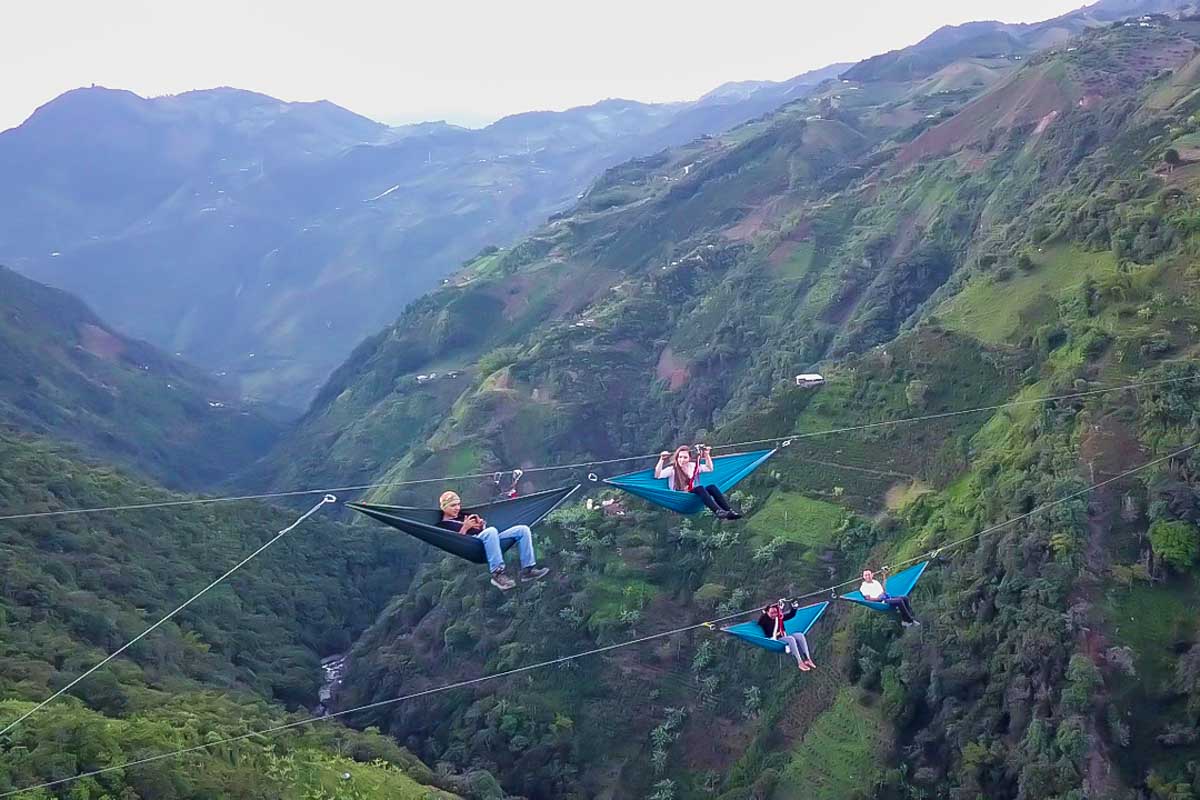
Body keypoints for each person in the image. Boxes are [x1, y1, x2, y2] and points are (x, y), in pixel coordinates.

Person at [436, 491, 549, 590]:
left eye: (458, 504)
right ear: (444, 507)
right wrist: (465, 527)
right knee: (491, 531)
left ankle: (527, 570)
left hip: (489, 540)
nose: (457, 508)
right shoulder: (443, 525)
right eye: (453, 505)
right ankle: (498, 574)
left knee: (522, 530)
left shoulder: (462, 515)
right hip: (472, 544)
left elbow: (481, 530)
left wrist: (481, 525)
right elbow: (456, 542)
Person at [654, 445, 741, 519]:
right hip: (680, 497)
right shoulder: (672, 470)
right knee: (700, 488)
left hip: (690, 495)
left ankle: (729, 511)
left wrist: (706, 455)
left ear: (689, 458)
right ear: (677, 458)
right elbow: (657, 475)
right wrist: (661, 459)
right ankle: (718, 511)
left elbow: (709, 468)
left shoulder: (692, 466)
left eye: (685, 457)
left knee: (711, 487)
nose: (682, 460)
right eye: (680, 457)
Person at [757, 599, 816, 671]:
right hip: (775, 640)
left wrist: (794, 607)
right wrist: (766, 613)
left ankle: (807, 659)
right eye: (771, 613)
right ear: (767, 613)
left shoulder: (778, 617)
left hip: (784, 637)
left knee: (800, 635)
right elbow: (762, 621)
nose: (774, 614)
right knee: (791, 639)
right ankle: (800, 662)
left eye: (775, 612)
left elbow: (791, 615)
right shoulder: (765, 620)